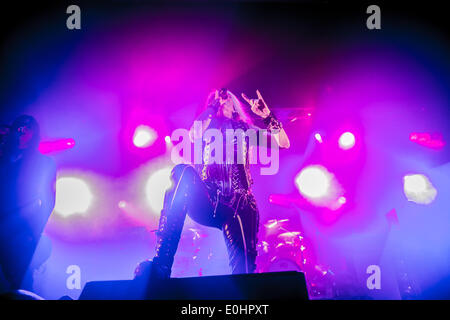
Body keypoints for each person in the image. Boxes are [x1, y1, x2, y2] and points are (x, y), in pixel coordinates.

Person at [135, 89, 290, 280]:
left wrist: (267, 117)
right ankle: (161, 266)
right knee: (182, 171)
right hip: (208, 200)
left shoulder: (245, 129)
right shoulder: (206, 127)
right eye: (217, 98)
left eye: (226, 98)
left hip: (239, 205)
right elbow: (192, 135)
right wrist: (211, 107)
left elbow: (283, 143)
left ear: (234, 104)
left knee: (245, 273)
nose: (222, 99)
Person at [0, 115, 56, 292]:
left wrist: (34, 232)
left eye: (29, 130)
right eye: (20, 129)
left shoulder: (43, 162)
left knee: (19, 283)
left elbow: (49, 200)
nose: (23, 134)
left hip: (21, 231)